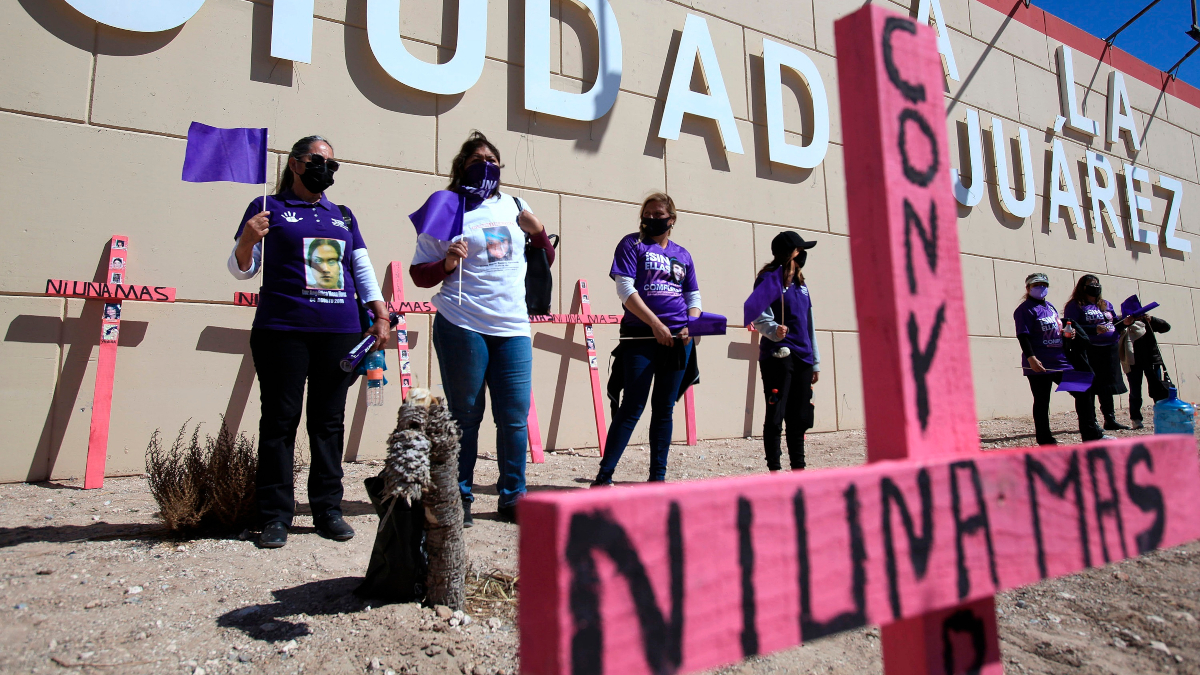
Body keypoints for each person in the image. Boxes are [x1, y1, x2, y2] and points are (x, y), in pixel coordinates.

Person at [228, 135, 390, 549]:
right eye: (318, 161)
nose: (326, 170)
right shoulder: (269, 207)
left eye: (332, 165)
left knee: (327, 423)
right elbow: (241, 270)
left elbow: (362, 268)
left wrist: (381, 313)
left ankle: (327, 510)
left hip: (339, 333)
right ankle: (275, 515)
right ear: (296, 164)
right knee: (280, 422)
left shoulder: (343, 215)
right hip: (283, 331)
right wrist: (247, 240)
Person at [410, 131, 553, 526]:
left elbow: (547, 257)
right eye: (478, 160)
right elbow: (419, 274)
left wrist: (538, 230)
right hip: (463, 322)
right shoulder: (447, 205)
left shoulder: (516, 205)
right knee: (466, 415)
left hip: (512, 325)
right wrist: (446, 264)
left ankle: (513, 497)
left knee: (513, 416)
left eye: (493, 160)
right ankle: (459, 496)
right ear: (462, 167)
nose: (487, 165)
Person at [592, 193, 701, 486]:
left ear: (671, 219)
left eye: (658, 215)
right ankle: (604, 476)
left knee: (665, 408)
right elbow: (625, 290)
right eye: (647, 214)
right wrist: (655, 324)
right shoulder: (632, 244)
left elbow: (693, 296)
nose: (652, 219)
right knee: (632, 406)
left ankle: (658, 479)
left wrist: (692, 323)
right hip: (640, 336)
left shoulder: (684, 254)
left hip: (679, 339)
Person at [751, 231, 820, 471]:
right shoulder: (768, 279)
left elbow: (809, 323)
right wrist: (773, 330)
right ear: (789, 253)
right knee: (776, 413)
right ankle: (775, 470)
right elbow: (757, 314)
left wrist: (816, 362)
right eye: (800, 250)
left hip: (803, 357)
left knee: (799, 416)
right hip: (778, 356)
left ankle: (798, 469)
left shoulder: (802, 284)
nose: (802, 255)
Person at [1014, 273, 1077, 445]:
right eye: (1036, 285)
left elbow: (1058, 329)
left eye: (1043, 284)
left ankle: (1090, 430)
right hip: (1040, 364)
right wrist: (1031, 358)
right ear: (1028, 288)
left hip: (1060, 361)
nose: (1041, 288)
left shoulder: (1050, 307)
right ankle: (1044, 438)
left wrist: (1067, 334)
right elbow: (1023, 335)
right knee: (1042, 401)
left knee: (1082, 390)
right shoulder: (1024, 310)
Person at [1064, 274, 1128, 438]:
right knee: (1089, 386)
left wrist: (1125, 323)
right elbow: (1071, 325)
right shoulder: (1076, 305)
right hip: (1089, 349)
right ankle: (1091, 422)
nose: (1095, 286)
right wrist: (1093, 330)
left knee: (1106, 386)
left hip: (1109, 349)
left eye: (1097, 284)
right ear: (1082, 287)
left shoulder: (1105, 305)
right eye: (1091, 284)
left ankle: (1110, 419)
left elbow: (1115, 323)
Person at [1119, 295, 1172, 430]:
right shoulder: (1124, 324)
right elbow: (1114, 330)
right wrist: (1125, 323)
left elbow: (1166, 327)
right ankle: (1136, 419)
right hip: (1133, 362)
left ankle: (1162, 416)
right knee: (1135, 392)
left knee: (1158, 389)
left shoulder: (1146, 322)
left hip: (1152, 360)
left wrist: (1152, 319)